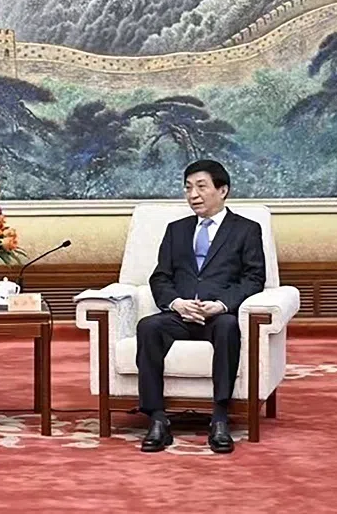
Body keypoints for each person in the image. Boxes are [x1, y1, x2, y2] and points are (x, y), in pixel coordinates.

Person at [136, 159, 266, 454]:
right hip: (181, 314)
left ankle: (219, 417)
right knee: (148, 327)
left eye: (201, 187)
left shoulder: (246, 230)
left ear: (222, 190)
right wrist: (176, 303)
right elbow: (160, 277)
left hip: (218, 316)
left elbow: (254, 279)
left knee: (229, 328)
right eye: (188, 188)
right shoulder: (176, 230)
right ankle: (157, 418)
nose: (193, 194)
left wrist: (221, 305)